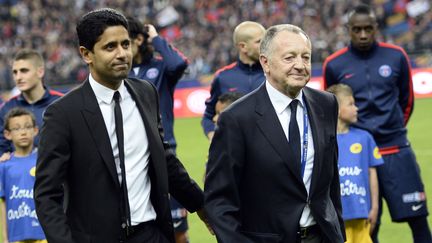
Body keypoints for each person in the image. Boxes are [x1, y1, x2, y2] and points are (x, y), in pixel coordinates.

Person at [34, 8, 209, 243]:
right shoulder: (62, 114)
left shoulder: (146, 93)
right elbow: (47, 195)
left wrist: (202, 206)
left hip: (151, 235)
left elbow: (164, 160)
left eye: (125, 44)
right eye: (110, 47)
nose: (122, 54)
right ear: (86, 54)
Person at [204, 24, 345, 243]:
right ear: (265, 63)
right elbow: (219, 200)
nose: (300, 65)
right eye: (289, 58)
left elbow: (331, 180)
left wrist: (338, 233)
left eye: (305, 57)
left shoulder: (326, 104)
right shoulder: (236, 119)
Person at [323, 4, 432, 243]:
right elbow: (333, 104)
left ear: (376, 28)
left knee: (418, 218)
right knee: (369, 224)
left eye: (368, 29)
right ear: (348, 30)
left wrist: (391, 129)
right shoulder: (334, 64)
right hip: (358, 154)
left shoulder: (396, 56)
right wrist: (358, 136)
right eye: (357, 30)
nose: (363, 35)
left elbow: (407, 100)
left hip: (396, 148)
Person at [127, 17, 190, 243]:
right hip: (131, 158)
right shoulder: (120, 74)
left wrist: (156, 39)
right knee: (140, 229)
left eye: (127, 42)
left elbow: (179, 64)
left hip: (165, 155)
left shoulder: (161, 67)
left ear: (139, 40)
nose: (122, 49)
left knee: (178, 232)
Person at [327, 84, 384, 243]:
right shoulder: (324, 140)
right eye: (351, 104)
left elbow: (372, 174)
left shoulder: (365, 138)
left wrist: (374, 208)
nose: (356, 108)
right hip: (336, 217)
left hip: (361, 214)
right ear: (337, 110)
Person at [201, 21, 266, 140]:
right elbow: (209, 115)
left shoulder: (274, 73)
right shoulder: (223, 77)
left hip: (269, 150)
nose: (265, 45)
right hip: (235, 152)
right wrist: (212, 137)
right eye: (259, 41)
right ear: (243, 46)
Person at [0, 49, 63, 162]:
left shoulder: (62, 103)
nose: (18, 77)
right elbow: (1, 147)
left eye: (24, 71)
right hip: (20, 177)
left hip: (57, 175)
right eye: (15, 72)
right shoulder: (6, 109)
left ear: (40, 72)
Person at [0, 107, 46, 243]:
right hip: (16, 237)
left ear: (35, 130)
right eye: (17, 128)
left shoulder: (44, 161)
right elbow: (3, 205)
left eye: (27, 127)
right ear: (8, 134)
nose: (23, 132)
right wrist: (5, 238)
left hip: (43, 234)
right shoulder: (4, 166)